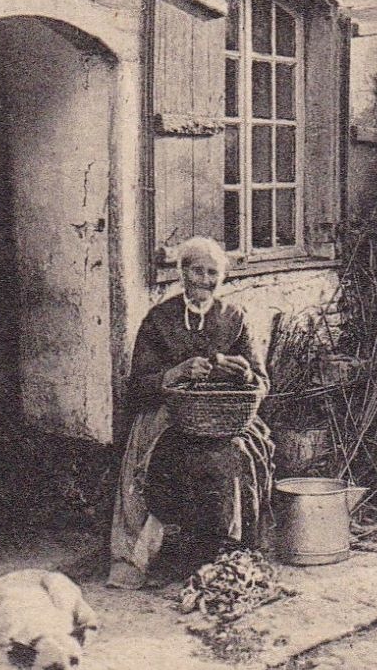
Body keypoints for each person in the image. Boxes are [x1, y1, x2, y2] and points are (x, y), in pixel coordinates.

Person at [108, 237, 274, 588]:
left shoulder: (235, 317)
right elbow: (138, 385)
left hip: (228, 417)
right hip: (166, 418)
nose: (205, 279)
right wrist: (177, 373)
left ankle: (225, 552)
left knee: (233, 455)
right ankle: (175, 555)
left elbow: (261, 382)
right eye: (197, 270)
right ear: (182, 272)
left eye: (214, 273)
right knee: (175, 458)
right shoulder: (159, 319)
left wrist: (243, 373)